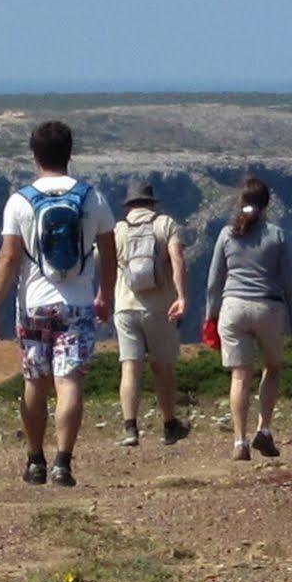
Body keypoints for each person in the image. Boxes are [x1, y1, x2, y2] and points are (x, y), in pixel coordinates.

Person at [0, 120, 117, 487]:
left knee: (35, 381)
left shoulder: (20, 201)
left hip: (33, 306)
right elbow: (108, 251)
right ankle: (63, 461)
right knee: (68, 380)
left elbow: (8, 258)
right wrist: (105, 294)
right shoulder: (93, 198)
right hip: (76, 303)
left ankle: (35, 458)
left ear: (34, 154)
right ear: (70, 153)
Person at [204, 174, 292, 462]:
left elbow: (213, 282)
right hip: (268, 309)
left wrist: (209, 318)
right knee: (271, 369)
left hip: (233, 308)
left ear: (241, 201)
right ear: (267, 204)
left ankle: (239, 441)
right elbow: (289, 284)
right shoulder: (276, 235)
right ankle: (265, 429)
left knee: (239, 376)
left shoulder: (226, 234)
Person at [111, 181, 191, 447]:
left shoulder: (119, 229)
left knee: (130, 366)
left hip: (125, 306)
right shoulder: (165, 224)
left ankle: (130, 428)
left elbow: (105, 264)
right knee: (163, 367)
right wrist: (181, 296)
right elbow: (177, 262)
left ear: (130, 205)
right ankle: (169, 425)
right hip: (160, 307)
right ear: (151, 203)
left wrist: (101, 297)